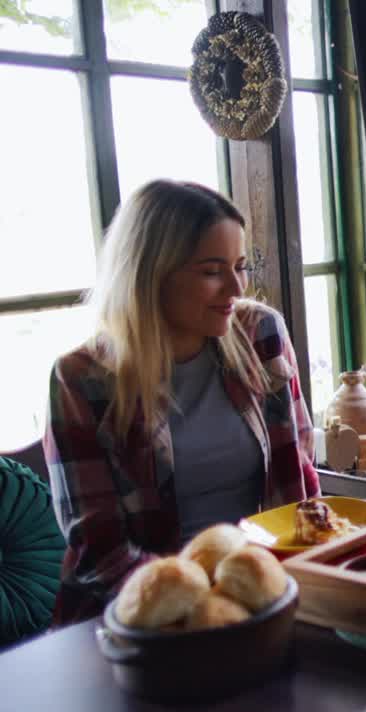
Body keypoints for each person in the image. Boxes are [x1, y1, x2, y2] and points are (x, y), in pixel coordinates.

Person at [43, 180, 319, 624]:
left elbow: (299, 477)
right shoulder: (80, 379)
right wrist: (205, 603)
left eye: (241, 266)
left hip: (259, 592)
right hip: (135, 612)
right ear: (150, 274)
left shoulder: (261, 333)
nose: (235, 287)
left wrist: (305, 575)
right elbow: (99, 551)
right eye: (212, 271)